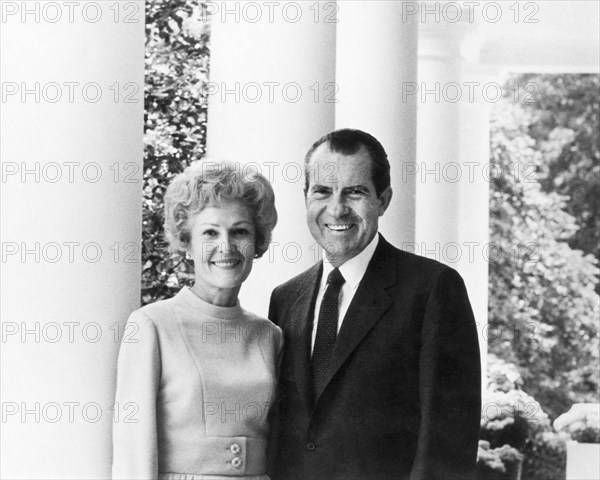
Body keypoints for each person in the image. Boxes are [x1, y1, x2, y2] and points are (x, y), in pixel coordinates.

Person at [268, 129, 481, 480]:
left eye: (355, 192)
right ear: (306, 197)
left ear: (383, 200)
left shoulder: (432, 290)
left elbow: (449, 440)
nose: (336, 209)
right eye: (322, 191)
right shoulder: (286, 298)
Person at [112, 162, 282, 480]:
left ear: (256, 242)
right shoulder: (151, 326)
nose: (226, 247)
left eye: (240, 231)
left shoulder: (269, 335)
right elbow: (133, 456)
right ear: (187, 244)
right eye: (210, 233)